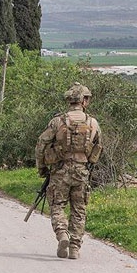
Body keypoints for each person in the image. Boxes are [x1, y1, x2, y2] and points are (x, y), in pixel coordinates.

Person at [35, 82, 103, 260]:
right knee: (79, 210)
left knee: (57, 206)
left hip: (60, 171)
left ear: (69, 100)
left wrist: (42, 167)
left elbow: (41, 144)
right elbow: (98, 146)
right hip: (82, 172)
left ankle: (62, 234)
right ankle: (74, 247)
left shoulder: (58, 121)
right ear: (84, 101)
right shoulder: (92, 122)